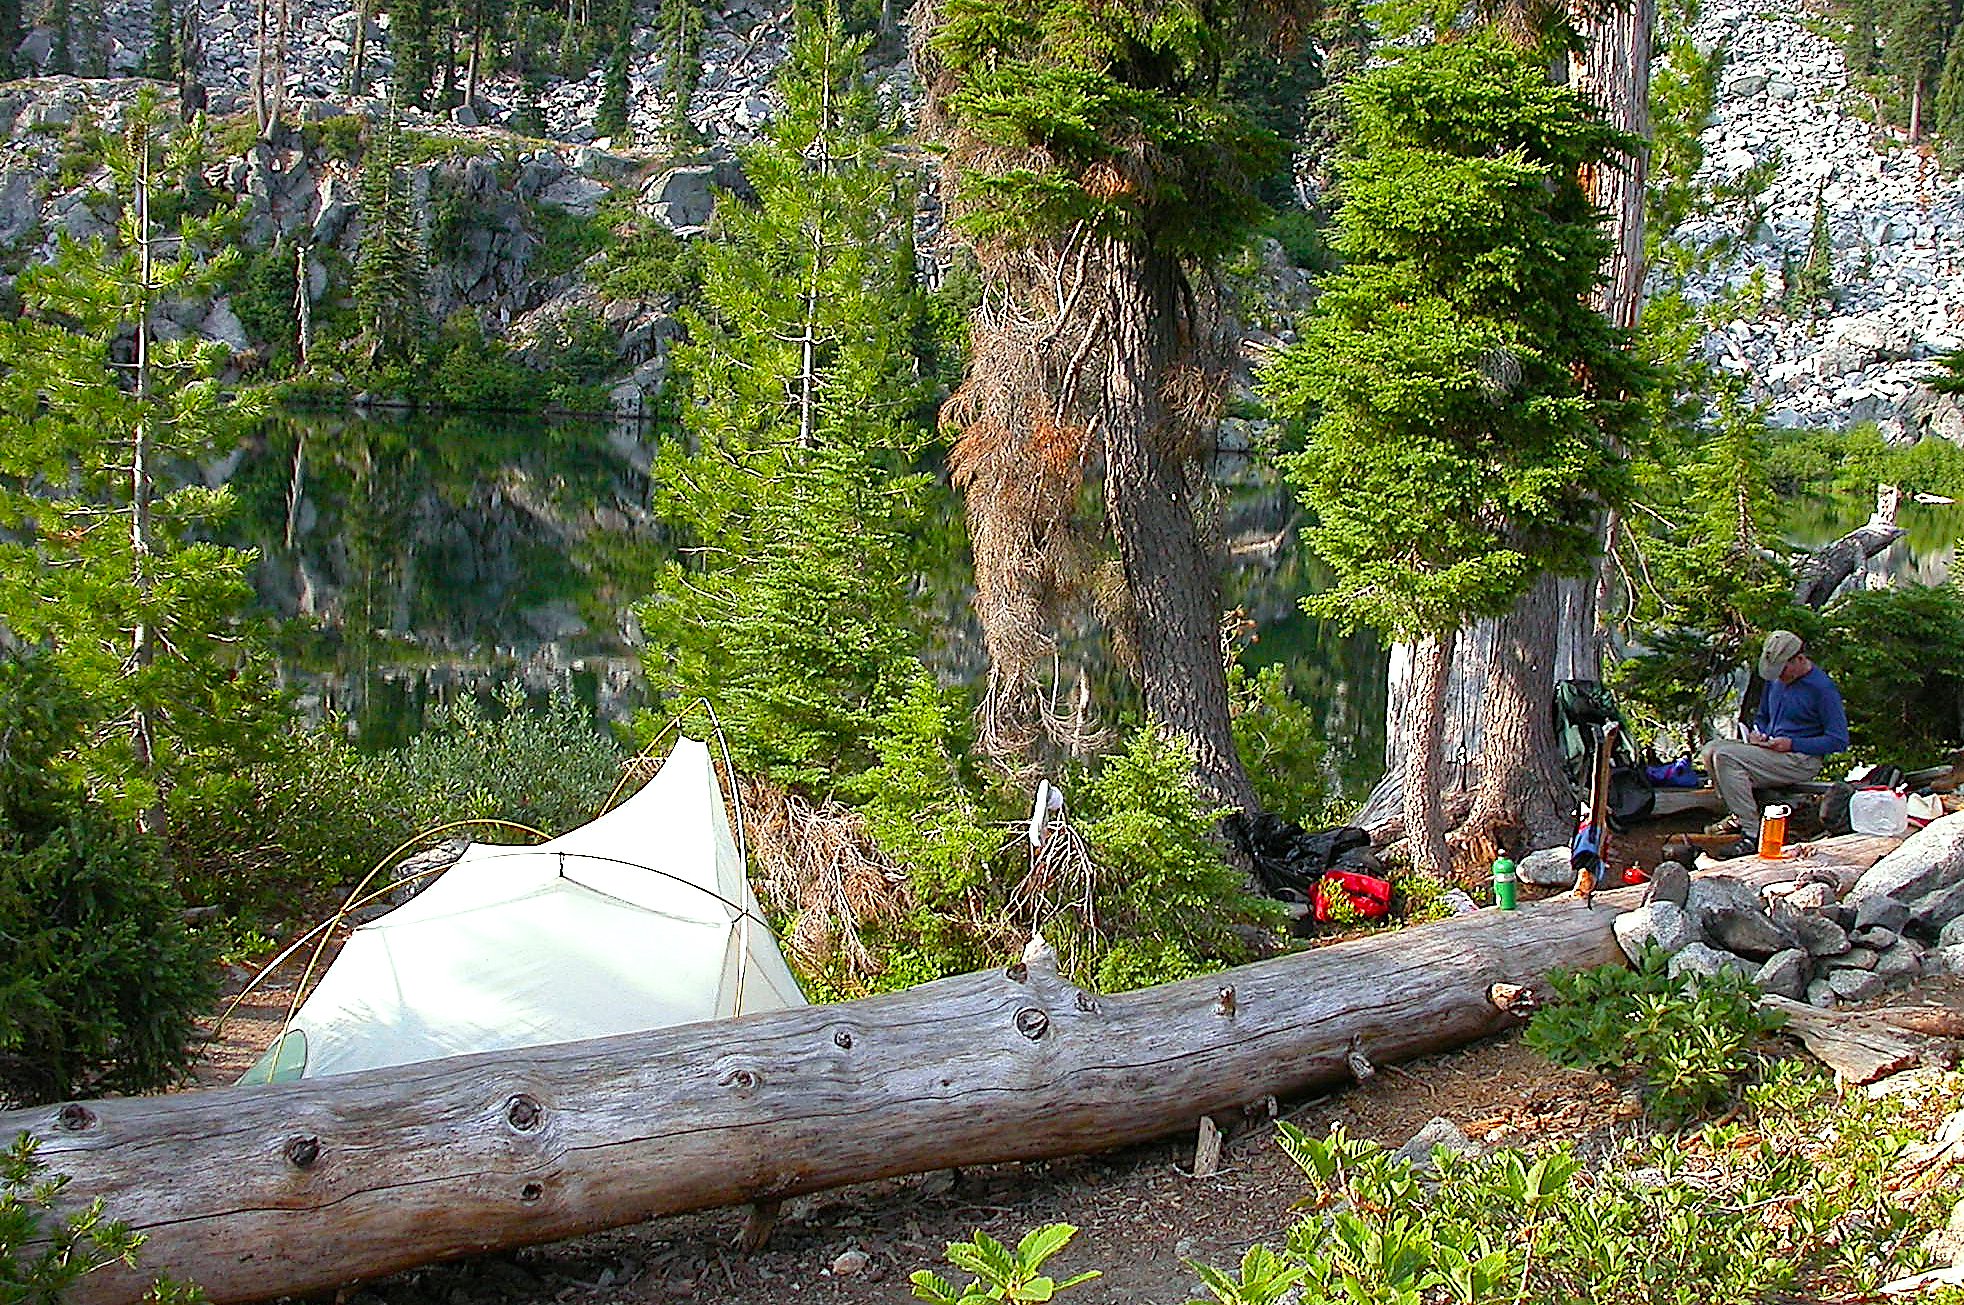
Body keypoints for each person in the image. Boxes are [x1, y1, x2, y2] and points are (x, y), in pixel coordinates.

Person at [1701, 630, 1849, 859]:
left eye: (1783, 670)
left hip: (1800, 759)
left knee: (1726, 757)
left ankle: (1751, 833)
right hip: (1772, 751)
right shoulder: (1776, 683)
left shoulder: (1821, 689)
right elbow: (1763, 716)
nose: (1780, 676)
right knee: (1711, 750)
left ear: (1799, 659)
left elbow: (1838, 740)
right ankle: (1738, 814)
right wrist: (1758, 735)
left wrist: (1792, 743)